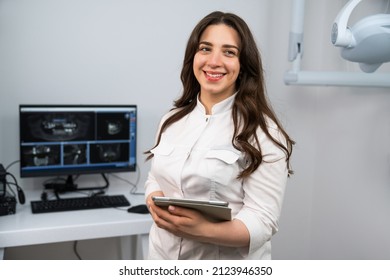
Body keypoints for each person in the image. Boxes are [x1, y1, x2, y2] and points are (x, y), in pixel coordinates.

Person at [144, 11, 294, 260]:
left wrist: (203, 230)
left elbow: (263, 221)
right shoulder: (171, 120)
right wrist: (154, 200)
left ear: (243, 64)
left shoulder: (263, 132)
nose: (214, 61)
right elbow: (156, 179)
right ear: (193, 55)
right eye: (205, 48)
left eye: (229, 52)